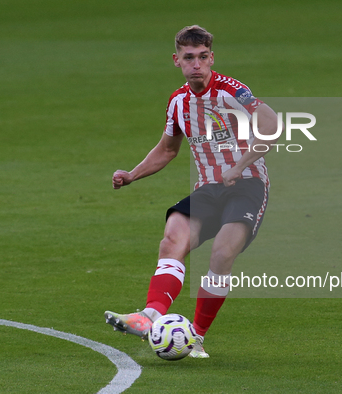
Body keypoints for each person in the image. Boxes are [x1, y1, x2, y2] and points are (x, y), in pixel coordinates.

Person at [105, 25, 278, 358]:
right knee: (172, 240)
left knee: (221, 255)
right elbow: (168, 149)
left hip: (248, 186)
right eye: (189, 58)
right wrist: (132, 174)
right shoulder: (178, 102)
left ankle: (195, 336)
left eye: (202, 57)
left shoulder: (232, 91)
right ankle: (149, 315)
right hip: (208, 190)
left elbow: (269, 122)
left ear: (211, 57)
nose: (196, 64)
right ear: (177, 61)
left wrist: (240, 165)